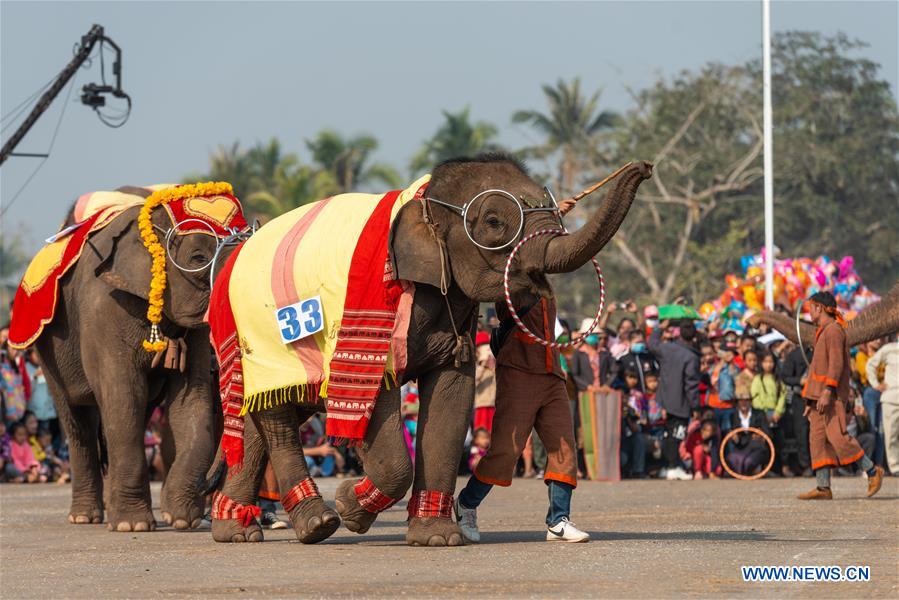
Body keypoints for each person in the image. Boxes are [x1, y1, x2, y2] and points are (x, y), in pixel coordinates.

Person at [455, 293, 589, 543]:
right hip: (518, 371)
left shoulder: (547, 282)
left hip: (552, 373)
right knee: (506, 450)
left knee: (564, 448)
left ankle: (558, 520)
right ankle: (466, 504)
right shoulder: (511, 276)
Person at [798, 292, 883, 500]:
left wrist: (828, 391)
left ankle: (872, 471)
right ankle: (823, 487)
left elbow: (836, 364)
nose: (809, 311)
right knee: (818, 439)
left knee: (837, 437)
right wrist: (811, 400)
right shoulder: (823, 331)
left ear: (819, 308)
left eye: (811, 307)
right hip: (818, 398)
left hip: (830, 395)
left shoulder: (834, 331)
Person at [648, 319, 701, 481]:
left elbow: (652, 344)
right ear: (693, 337)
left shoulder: (667, 348)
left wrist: (659, 328)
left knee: (668, 434)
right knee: (677, 436)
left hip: (664, 399)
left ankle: (667, 466)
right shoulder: (691, 357)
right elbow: (690, 385)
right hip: (681, 401)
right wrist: (696, 406)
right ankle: (673, 467)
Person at [751, 351, 789, 475]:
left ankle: (781, 467)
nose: (768, 365)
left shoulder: (778, 380)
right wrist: (763, 413)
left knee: (780, 442)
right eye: (766, 362)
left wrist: (778, 412)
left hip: (776, 415)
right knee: (766, 442)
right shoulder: (758, 379)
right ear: (761, 363)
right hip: (762, 414)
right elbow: (755, 397)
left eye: (771, 362)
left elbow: (783, 396)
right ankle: (766, 467)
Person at [866, 339, 898, 474]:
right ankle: (895, 467)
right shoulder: (890, 348)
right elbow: (870, 365)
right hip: (891, 398)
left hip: (891, 397)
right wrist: (875, 384)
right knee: (891, 435)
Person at [782, 341, 813, 475]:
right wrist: (799, 381)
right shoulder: (794, 355)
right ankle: (806, 465)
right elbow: (785, 377)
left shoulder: (820, 352)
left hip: (819, 396)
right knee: (802, 431)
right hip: (800, 398)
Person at [725, 395, 772, 476]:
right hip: (741, 448)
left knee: (748, 461)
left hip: (756, 447)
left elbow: (768, 433)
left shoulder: (759, 414)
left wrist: (761, 435)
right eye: (741, 400)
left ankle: (755, 468)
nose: (744, 403)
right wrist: (735, 438)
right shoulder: (733, 416)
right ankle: (745, 472)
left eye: (746, 400)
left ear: (750, 401)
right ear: (737, 402)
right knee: (731, 458)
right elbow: (734, 435)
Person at [709, 341, 739, 435]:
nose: (731, 355)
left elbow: (736, 381)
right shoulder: (713, 366)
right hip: (713, 406)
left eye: (733, 353)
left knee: (728, 434)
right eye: (728, 352)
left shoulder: (735, 368)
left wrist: (731, 367)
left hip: (728, 407)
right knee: (714, 434)